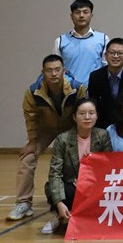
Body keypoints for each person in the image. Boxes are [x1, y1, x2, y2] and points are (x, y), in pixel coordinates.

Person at [7, 55, 87, 222]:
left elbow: (83, 113)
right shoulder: (33, 91)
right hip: (47, 129)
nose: (54, 74)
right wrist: (32, 141)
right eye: (49, 70)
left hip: (71, 128)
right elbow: (30, 117)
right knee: (27, 158)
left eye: (57, 70)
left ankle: (77, 198)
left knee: (75, 159)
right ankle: (23, 203)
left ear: (64, 71)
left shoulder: (77, 88)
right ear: (43, 72)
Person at [42, 97, 111, 235]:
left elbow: (108, 167)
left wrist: (89, 179)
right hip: (72, 186)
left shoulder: (102, 135)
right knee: (53, 188)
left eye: (91, 113)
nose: (87, 117)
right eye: (82, 113)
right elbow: (55, 173)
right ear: (74, 117)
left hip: (95, 186)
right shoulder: (62, 139)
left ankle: (83, 218)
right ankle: (60, 216)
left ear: (97, 115)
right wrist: (59, 203)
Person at [53, 0, 108, 87]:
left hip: (95, 90)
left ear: (91, 15)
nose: (81, 15)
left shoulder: (103, 39)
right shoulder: (60, 41)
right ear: (71, 16)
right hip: (70, 90)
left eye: (85, 12)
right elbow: (56, 68)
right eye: (77, 12)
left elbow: (106, 67)